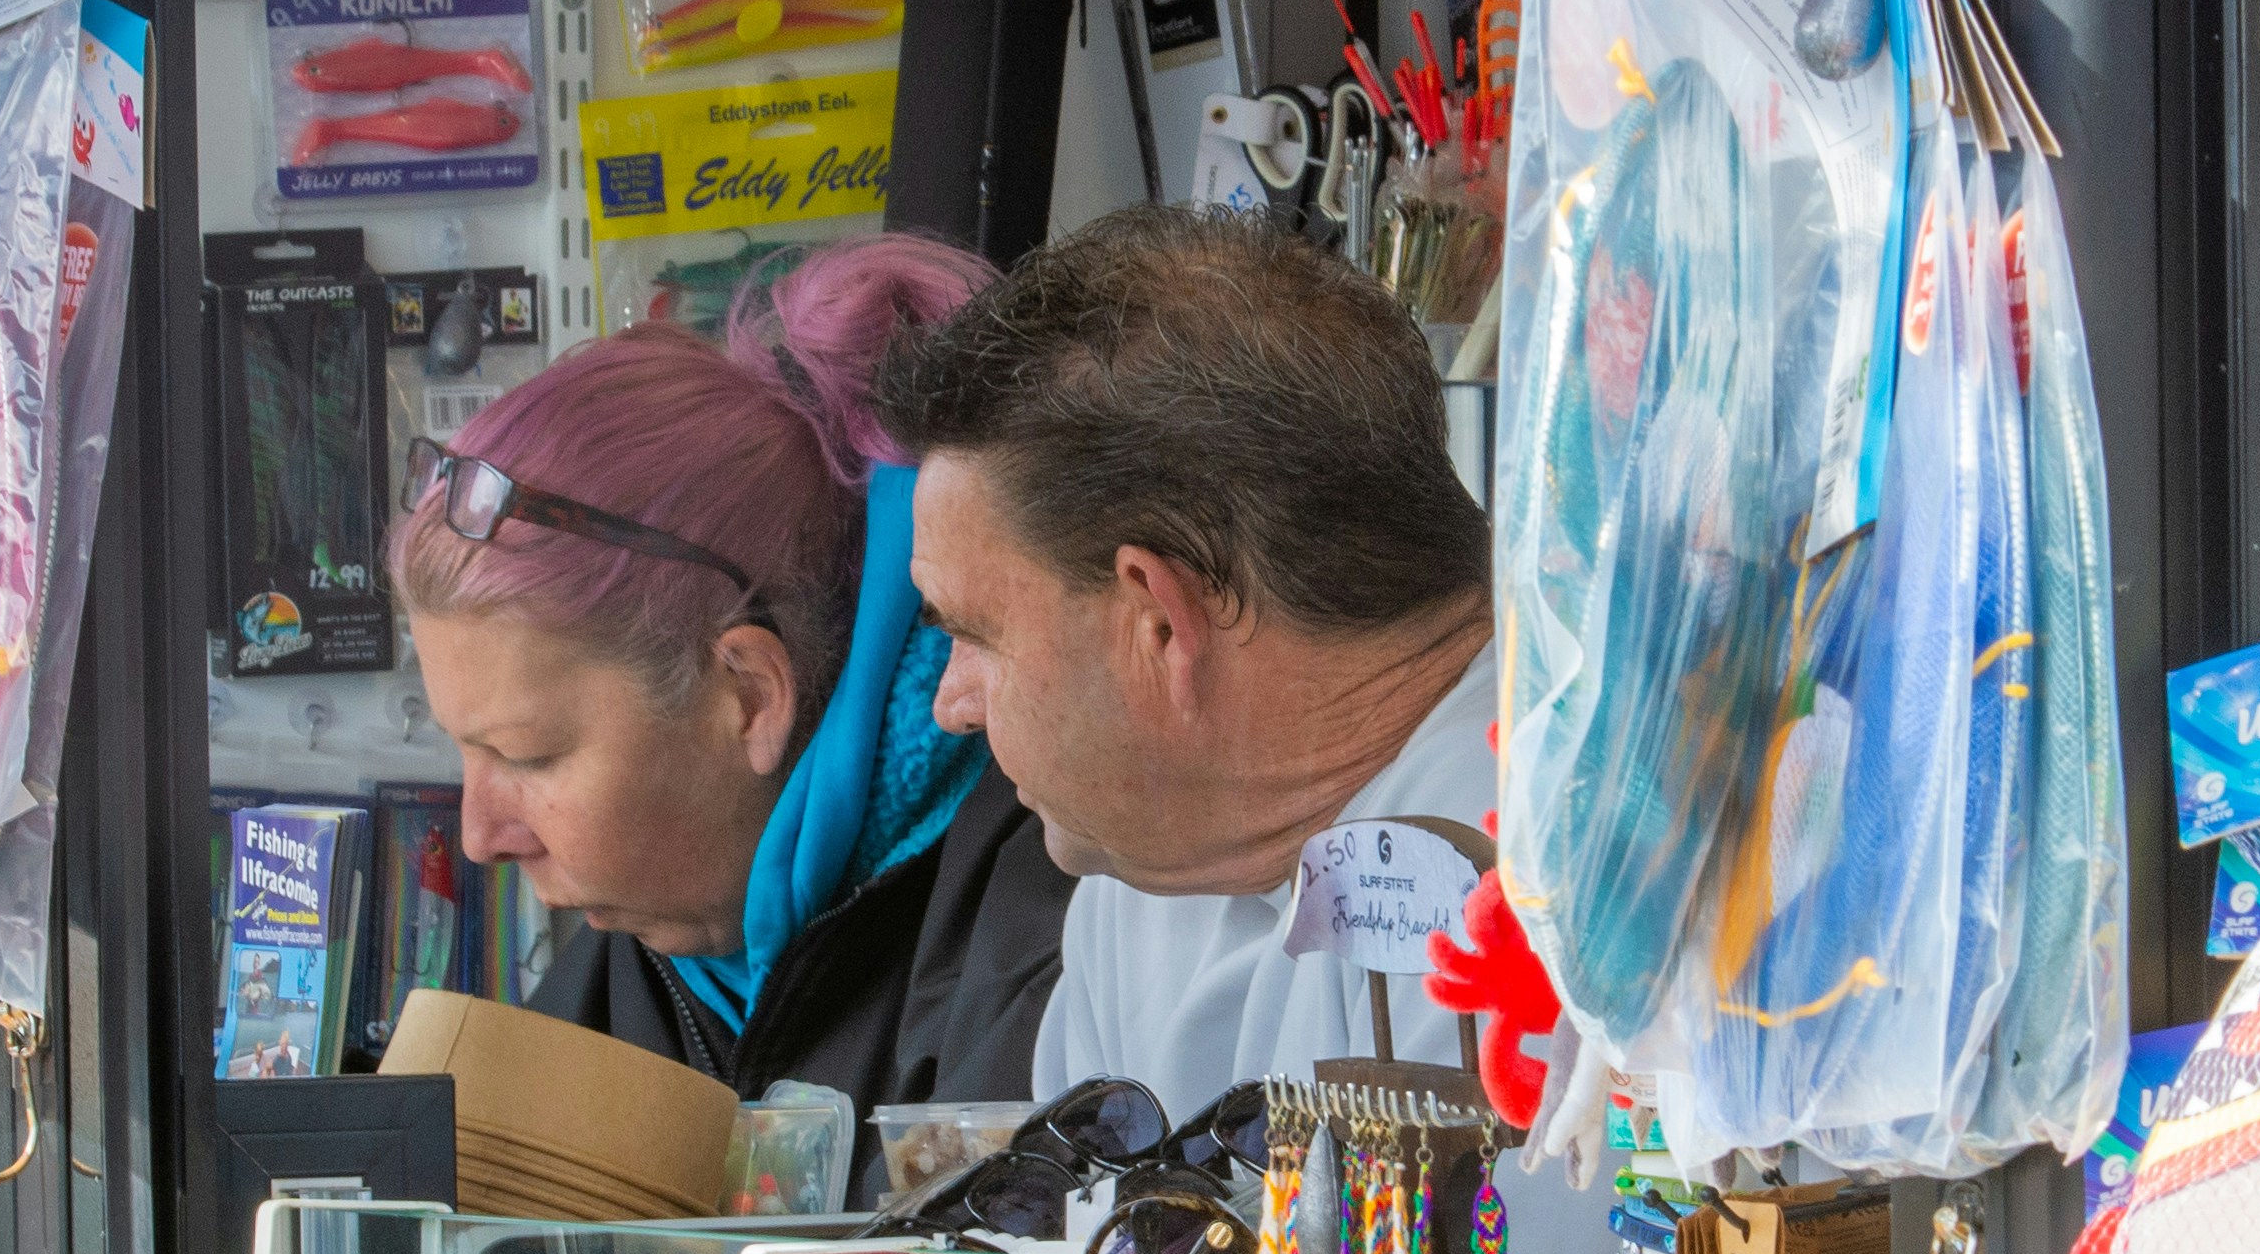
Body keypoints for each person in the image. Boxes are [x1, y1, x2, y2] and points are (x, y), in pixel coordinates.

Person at [396, 236, 1072, 1118]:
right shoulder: (629, 962)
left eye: (525, 755)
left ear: (750, 695)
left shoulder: (1050, 918)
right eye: (462, 750)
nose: (480, 835)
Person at [874, 208, 1500, 1125]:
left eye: (974, 633)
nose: (950, 706)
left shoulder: (1539, 870)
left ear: (1160, 624)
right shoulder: (1143, 877)